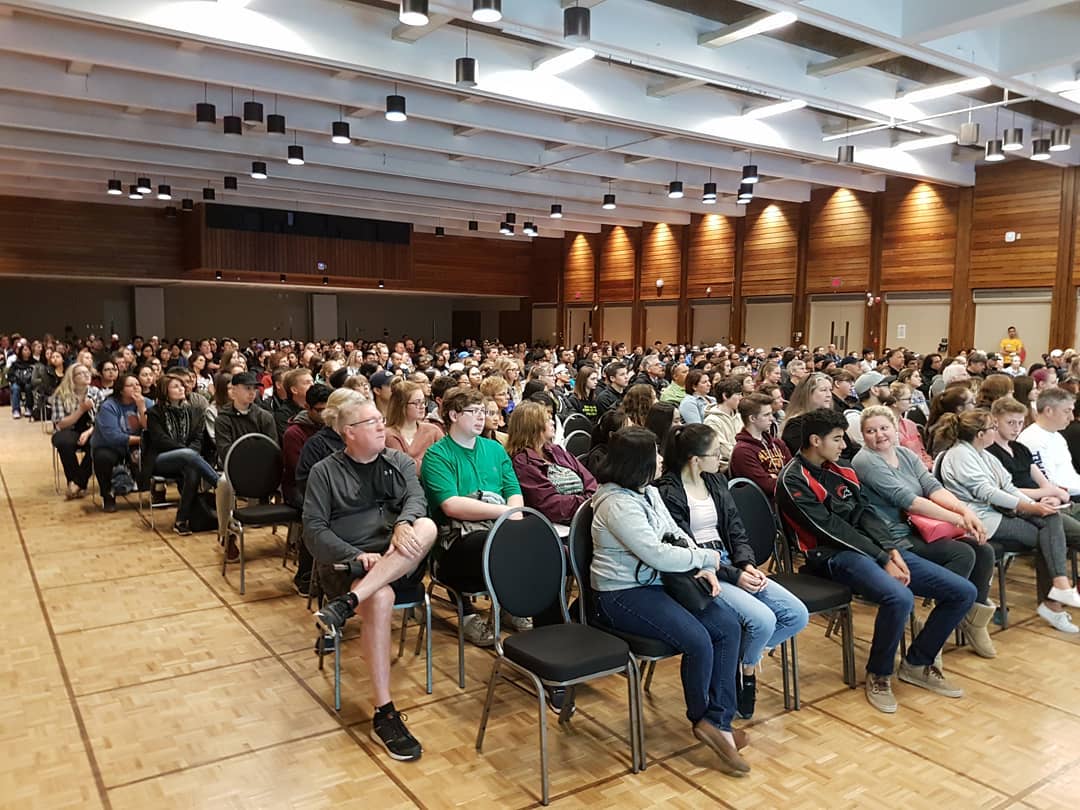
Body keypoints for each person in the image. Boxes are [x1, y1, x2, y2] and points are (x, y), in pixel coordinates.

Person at [777, 408, 976, 714]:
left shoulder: (841, 469)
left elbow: (865, 513)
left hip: (872, 550)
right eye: (838, 439)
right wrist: (883, 557)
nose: (844, 445)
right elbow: (831, 529)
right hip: (831, 556)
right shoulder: (792, 480)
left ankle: (917, 663)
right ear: (816, 441)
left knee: (963, 592)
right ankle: (879, 674)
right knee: (899, 597)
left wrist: (891, 550)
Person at [590, 426, 749, 775]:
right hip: (621, 594)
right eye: (655, 455)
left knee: (727, 626)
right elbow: (656, 553)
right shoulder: (616, 503)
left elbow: (675, 533)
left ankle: (720, 721)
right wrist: (706, 558)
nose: (662, 459)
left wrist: (702, 565)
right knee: (699, 640)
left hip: (660, 582)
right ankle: (703, 720)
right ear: (638, 463)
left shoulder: (647, 491)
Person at [305, 397, 437, 762]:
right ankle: (384, 712)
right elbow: (313, 530)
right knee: (379, 598)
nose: (382, 426)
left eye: (381, 419)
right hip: (349, 566)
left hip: (399, 557)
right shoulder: (324, 472)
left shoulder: (398, 461)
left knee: (426, 525)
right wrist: (354, 555)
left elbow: (417, 500)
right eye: (372, 422)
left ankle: (345, 606)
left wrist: (403, 523)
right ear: (349, 432)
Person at [657, 423, 807, 720]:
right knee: (762, 621)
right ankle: (747, 674)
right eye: (715, 453)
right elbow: (686, 551)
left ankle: (741, 662)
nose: (721, 458)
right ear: (695, 459)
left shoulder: (715, 481)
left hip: (729, 562)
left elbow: (736, 528)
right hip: (701, 571)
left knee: (796, 614)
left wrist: (747, 564)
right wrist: (734, 575)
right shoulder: (668, 492)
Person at [852, 406, 997, 657]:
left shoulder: (905, 454)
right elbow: (908, 500)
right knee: (962, 554)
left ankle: (972, 620)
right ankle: (939, 624)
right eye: (870, 431)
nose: (879, 435)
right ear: (863, 435)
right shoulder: (865, 461)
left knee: (983, 551)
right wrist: (959, 520)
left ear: (895, 428)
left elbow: (932, 487)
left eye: (884, 428)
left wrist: (965, 512)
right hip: (892, 536)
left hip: (920, 528)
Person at [936, 409, 1080, 633]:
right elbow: (986, 492)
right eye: (992, 428)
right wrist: (1029, 507)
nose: (995, 431)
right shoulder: (959, 455)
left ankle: (1058, 589)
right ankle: (1054, 599)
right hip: (981, 518)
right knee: (1049, 538)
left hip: (1002, 510)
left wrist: (1035, 507)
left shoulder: (983, 454)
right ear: (981, 434)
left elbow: (1008, 487)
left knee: (1051, 519)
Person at [420, 388, 524, 647]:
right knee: (491, 541)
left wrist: (514, 516)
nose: (481, 417)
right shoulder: (437, 455)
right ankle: (467, 613)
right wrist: (505, 513)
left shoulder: (494, 449)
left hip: (497, 526)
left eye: (483, 411)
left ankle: (513, 605)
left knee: (532, 535)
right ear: (453, 415)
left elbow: (514, 491)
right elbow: (451, 506)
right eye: (474, 411)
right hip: (455, 541)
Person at [989, 396, 1080, 632]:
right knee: (1050, 534)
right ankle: (1054, 601)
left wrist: (1054, 495)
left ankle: (1056, 597)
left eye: (1020, 422)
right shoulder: (989, 452)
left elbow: (1043, 481)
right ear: (995, 421)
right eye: (1010, 422)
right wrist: (1045, 494)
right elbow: (1006, 491)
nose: (1016, 428)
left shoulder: (1020, 448)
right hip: (1014, 508)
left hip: (1039, 505)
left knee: (1057, 532)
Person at [145, 374, 220, 536]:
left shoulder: (193, 411)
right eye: (176, 386)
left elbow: (198, 438)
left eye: (182, 386)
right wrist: (185, 452)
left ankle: (181, 521)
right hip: (162, 459)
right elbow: (160, 440)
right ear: (165, 391)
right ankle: (219, 483)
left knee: (192, 471)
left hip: (189, 459)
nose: (181, 389)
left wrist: (189, 453)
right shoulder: (154, 413)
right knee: (188, 456)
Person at [214, 372, 277, 560]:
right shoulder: (223, 419)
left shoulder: (265, 416)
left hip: (262, 467)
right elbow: (225, 451)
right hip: (234, 468)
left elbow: (272, 448)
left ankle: (295, 539)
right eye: (247, 388)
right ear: (233, 391)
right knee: (223, 484)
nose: (252, 393)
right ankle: (227, 534)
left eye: (254, 389)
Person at [506, 400, 597, 527]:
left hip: (584, 514)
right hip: (554, 525)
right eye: (547, 420)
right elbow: (548, 503)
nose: (553, 422)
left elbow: (589, 480)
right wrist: (587, 502)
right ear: (534, 426)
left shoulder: (556, 450)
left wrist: (591, 500)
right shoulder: (522, 461)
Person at [91, 373, 152, 513]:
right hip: (110, 446)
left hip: (136, 444)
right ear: (121, 390)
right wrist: (143, 440)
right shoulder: (109, 406)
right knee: (103, 458)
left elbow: (151, 428)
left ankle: (157, 490)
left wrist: (141, 408)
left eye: (137, 384)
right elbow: (113, 437)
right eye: (131, 385)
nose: (136, 388)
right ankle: (108, 495)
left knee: (150, 454)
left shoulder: (147, 402)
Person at [49, 363, 105, 498]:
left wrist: (89, 431)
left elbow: (103, 420)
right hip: (69, 429)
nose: (86, 375)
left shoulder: (96, 393)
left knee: (98, 444)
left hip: (92, 429)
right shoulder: (61, 394)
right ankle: (75, 481)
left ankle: (77, 483)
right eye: (81, 373)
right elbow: (60, 424)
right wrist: (81, 410)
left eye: (87, 372)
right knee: (63, 442)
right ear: (72, 378)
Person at [728, 393, 791, 497]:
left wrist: (776, 478)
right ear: (752, 418)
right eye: (766, 415)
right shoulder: (742, 451)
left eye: (771, 414)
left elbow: (795, 473)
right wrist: (785, 479)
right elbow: (766, 486)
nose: (772, 418)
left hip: (787, 500)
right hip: (767, 504)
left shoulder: (777, 443)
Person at [383, 381, 443, 474]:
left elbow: (448, 460)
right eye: (417, 403)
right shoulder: (388, 435)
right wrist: (433, 465)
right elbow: (403, 467)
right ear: (402, 405)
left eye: (424, 402)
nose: (423, 406)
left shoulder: (433, 430)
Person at [887, 383, 933, 470]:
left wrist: (930, 464)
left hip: (924, 468)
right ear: (895, 402)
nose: (911, 402)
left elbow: (923, 452)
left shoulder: (911, 424)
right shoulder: (885, 429)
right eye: (908, 399)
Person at [703, 377, 743, 472]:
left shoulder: (739, 417)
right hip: (726, 468)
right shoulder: (712, 421)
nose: (741, 397)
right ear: (725, 396)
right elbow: (724, 449)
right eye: (738, 394)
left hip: (742, 461)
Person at [585, 408, 630, 475]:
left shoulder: (623, 450)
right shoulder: (598, 456)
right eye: (627, 429)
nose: (632, 432)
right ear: (611, 434)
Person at [8, 343, 35, 419]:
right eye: (25, 350)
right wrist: (15, 380)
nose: (27, 351)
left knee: (28, 387)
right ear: (21, 351)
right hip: (17, 382)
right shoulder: (15, 363)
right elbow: (10, 375)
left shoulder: (34, 363)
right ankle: (16, 410)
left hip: (29, 383)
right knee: (15, 388)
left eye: (28, 350)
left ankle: (28, 408)